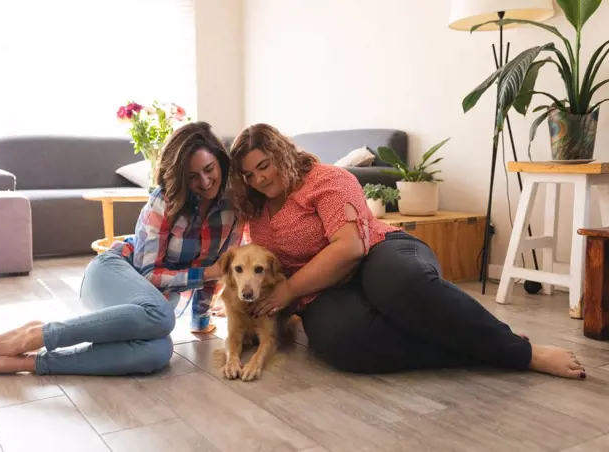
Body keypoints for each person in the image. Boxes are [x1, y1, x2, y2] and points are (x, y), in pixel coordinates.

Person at [227, 123, 586, 380]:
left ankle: (522, 352)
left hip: (376, 251)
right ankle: (481, 346)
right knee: (343, 343)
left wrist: (288, 290)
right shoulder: (254, 207)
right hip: (320, 290)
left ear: (283, 155)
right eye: (249, 174)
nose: (259, 179)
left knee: (402, 286)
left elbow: (350, 247)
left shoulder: (326, 179)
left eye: (264, 166)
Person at [0, 121, 244, 376]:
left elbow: (218, 268)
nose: (204, 182)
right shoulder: (165, 202)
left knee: (158, 353)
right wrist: (208, 272)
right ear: (180, 177)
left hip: (148, 312)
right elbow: (150, 275)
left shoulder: (234, 208)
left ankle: (29, 362)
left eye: (209, 170)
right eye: (193, 176)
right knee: (161, 315)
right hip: (113, 273)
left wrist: (201, 319)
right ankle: (38, 336)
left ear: (220, 162)